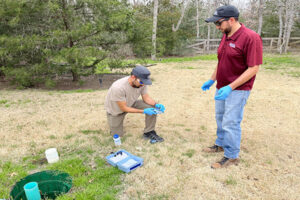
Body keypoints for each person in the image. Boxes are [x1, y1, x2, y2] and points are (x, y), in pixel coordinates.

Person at [201, 5, 263, 169]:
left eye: (219, 23)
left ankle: (231, 155)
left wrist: (231, 87)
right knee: (220, 118)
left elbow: (253, 68)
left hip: (238, 90)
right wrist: (212, 79)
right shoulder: (226, 34)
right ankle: (220, 144)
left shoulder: (251, 37)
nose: (217, 27)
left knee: (231, 122)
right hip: (222, 87)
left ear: (232, 20)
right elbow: (221, 60)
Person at [105, 65, 165, 144]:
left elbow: (146, 98)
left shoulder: (142, 83)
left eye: (144, 82)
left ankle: (149, 132)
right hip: (116, 109)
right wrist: (143, 111)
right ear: (133, 77)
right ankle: (113, 123)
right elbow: (123, 108)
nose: (143, 84)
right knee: (117, 135)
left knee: (152, 108)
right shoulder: (118, 87)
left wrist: (156, 105)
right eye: (141, 82)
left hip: (131, 102)